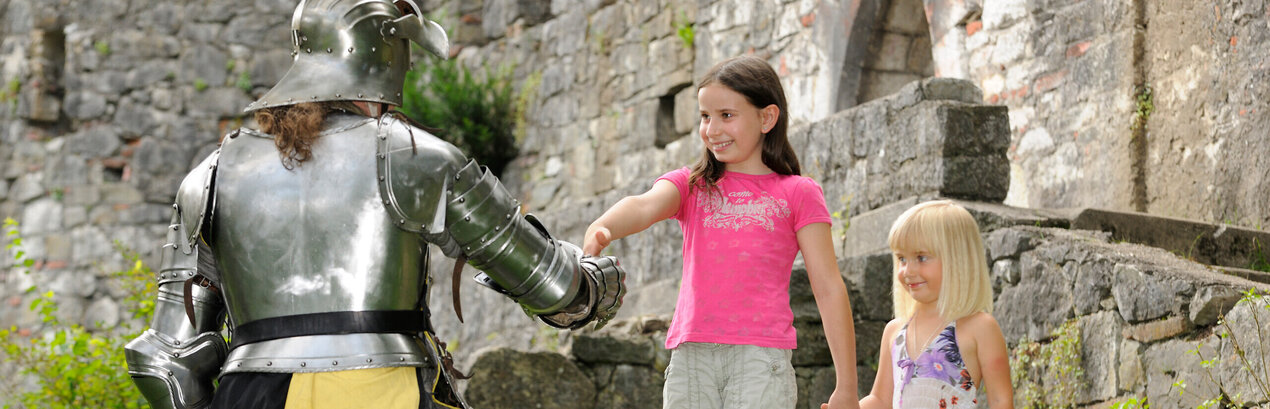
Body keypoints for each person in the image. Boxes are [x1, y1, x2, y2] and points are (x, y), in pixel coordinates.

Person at [122, 1, 625, 408]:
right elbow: (554, 287)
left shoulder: (211, 174)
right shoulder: (413, 157)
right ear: (386, 60)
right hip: (379, 388)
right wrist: (597, 283)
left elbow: (164, 360)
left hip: (250, 393)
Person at [582, 55, 860, 409]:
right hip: (690, 361)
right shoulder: (692, 186)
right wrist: (603, 226)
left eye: (726, 115)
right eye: (705, 116)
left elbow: (829, 288)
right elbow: (644, 205)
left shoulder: (798, 192)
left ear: (767, 118)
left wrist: (847, 387)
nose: (711, 130)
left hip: (760, 361)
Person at [854, 200, 1013, 409]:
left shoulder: (979, 327)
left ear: (957, 259)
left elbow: (1001, 401)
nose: (908, 271)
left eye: (921, 258)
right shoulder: (894, 331)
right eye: (902, 259)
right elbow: (880, 400)